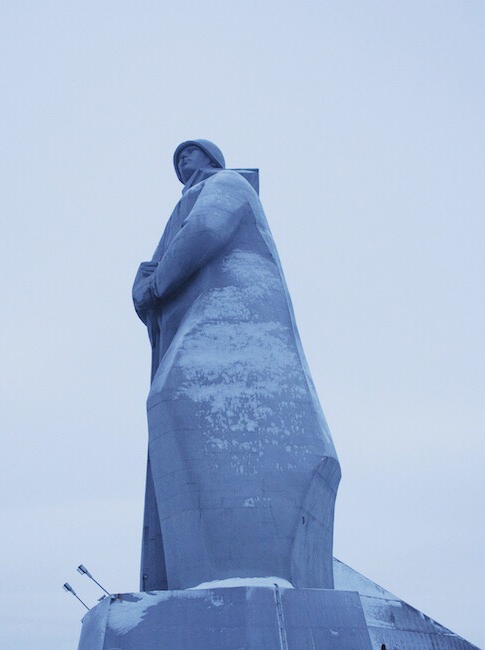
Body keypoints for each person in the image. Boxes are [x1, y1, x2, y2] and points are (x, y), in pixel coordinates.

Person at [132, 140, 340, 592]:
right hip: (204, 315)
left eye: (191, 153)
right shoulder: (189, 198)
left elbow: (205, 230)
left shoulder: (227, 184)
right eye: (177, 157)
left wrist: (155, 285)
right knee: (171, 400)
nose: (182, 160)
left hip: (234, 318)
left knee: (177, 394)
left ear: (212, 159)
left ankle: (229, 572)